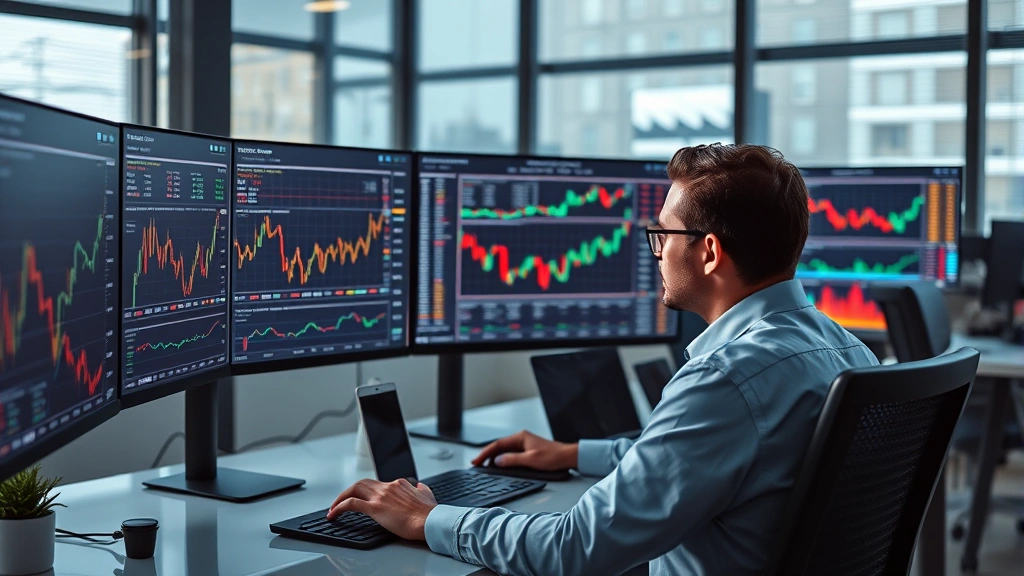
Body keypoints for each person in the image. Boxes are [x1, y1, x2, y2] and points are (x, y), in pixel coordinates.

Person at [326, 144, 879, 575]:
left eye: (662, 234)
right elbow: (704, 454)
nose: (656, 250)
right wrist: (574, 452)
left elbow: (575, 550)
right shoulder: (846, 350)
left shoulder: (726, 379)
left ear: (709, 252)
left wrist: (429, 518)